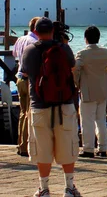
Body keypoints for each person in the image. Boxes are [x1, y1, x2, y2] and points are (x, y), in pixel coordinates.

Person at [20, 17, 81, 197]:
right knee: (67, 147)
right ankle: (69, 188)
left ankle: (44, 189)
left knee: (42, 149)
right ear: (53, 31)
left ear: (36, 32)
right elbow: (72, 67)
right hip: (64, 104)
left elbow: (24, 73)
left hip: (39, 105)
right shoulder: (64, 48)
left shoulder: (30, 50)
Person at [74, 26, 107, 158]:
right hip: (103, 90)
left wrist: (77, 82)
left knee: (87, 120)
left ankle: (88, 149)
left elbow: (75, 68)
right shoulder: (105, 52)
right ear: (98, 38)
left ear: (85, 39)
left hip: (88, 91)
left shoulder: (82, 54)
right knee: (100, 120)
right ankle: (103, 148)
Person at [13, 16, 40, 157]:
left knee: (23, 113)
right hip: (29, 79)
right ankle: (25, 147)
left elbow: (14, 54)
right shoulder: (35, 42)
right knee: (29, 114)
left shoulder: (21, 39)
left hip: (19, 79)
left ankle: (20, 144)